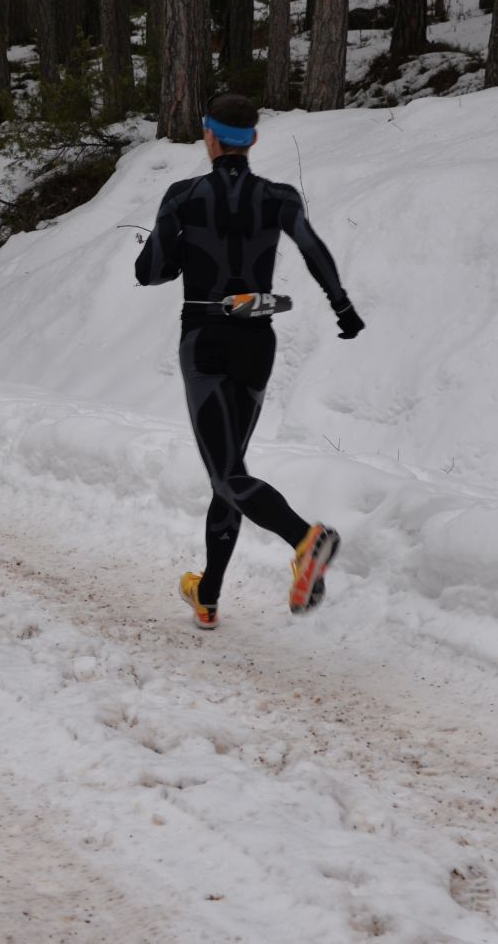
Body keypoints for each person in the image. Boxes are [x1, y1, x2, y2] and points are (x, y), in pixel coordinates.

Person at [135, 93, 364, 629]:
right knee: (229, 470)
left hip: (206, 341)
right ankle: (208, 596)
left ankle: (307, 540)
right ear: (253, 139)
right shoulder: (279, 197)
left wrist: (175, 247)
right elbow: (312, 249)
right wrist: (343, 307)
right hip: (258, 340)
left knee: (226, 471)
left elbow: (150, 272)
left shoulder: (183, 196)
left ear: (208, 136)